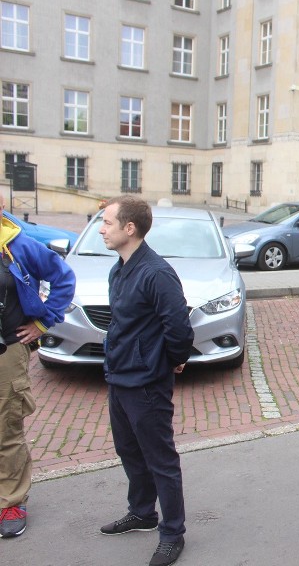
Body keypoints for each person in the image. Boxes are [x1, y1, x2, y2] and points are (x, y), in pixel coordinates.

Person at [97, 196, 194, 566]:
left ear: (130, 228)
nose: (102, 229)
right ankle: (142, 513)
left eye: (108, 223)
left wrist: (171, 361)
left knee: (160, 460)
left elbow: (179, 328)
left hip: (147, 384)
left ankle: (172, 533)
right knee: (129, 451)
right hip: (119, 378)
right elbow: (123, 325)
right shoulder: (119, 269)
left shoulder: (156, 273)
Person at [0, 194, 75, 539]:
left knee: (6, 429)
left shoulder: (17, 244)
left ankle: (11, 501)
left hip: (7, 352)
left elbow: (62, 277)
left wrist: (42, 323)